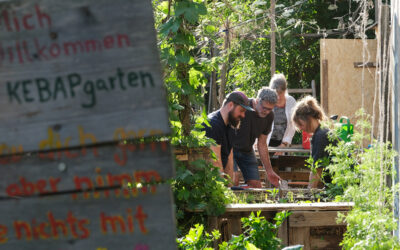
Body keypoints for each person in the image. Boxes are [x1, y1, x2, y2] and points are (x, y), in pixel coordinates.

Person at [230, 87, 282, 188]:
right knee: (233, 180)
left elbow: (262, 144)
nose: (266, 112)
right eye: (264, 108)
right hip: (230, 148)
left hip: (247, 150)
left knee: (256, 186)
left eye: (270, 109)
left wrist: (269, 171)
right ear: (257, 101)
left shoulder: (269, 116)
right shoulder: (242, 105)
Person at [203, 91, 254, 183]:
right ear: (231, 105)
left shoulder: (230, 125)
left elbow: (229, 157)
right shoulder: (213, 124)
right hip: (207, 183)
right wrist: (222, 193)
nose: (243, 115)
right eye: (241, 110)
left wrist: (230, 187)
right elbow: (215, 162)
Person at [291, 96, 335, 188]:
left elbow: (317, 169)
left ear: (308, 119)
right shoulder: (321, 132)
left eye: (301, 125)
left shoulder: (320, 136)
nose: (300, 128)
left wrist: (309, 193)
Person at [267, 74, 297, 155]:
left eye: (281, 93)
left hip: (283, 143)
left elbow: (292, 126)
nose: (279, 97)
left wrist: (284, 144)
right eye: (276, 94)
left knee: (283, 166)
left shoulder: (291, 102)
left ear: (285, 91)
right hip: (266, 142)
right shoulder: (267, 101)